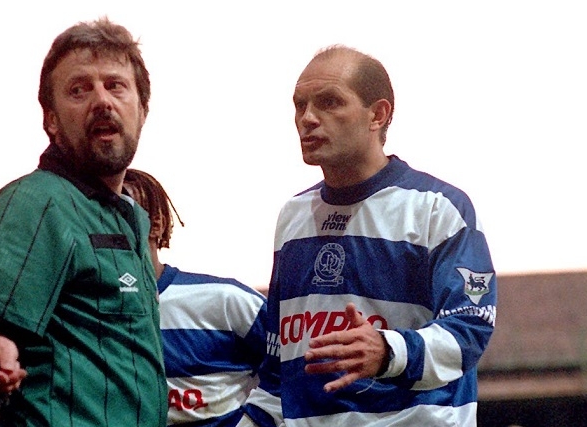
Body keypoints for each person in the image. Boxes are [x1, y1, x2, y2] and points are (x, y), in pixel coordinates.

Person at [239, 45, 498, 426]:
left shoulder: (437, 207)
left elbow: (470, 328)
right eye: (299, 105)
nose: (307, 118)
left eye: (329, 102)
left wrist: (388, 351)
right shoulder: (292, 217)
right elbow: (279, 369)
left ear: (378, 114)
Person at [0, 18, 167, 427]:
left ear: (142, 109)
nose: (101, 100)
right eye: (79, 90)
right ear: (52, 120)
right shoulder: (39, 201)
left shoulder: (132, 217)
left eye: (115, 85)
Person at [122, 168, 268, 427]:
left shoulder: (225, 300)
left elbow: (294, 364)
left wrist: (257, 421)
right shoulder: (87, 312)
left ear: (156, 225)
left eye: (122, 211)